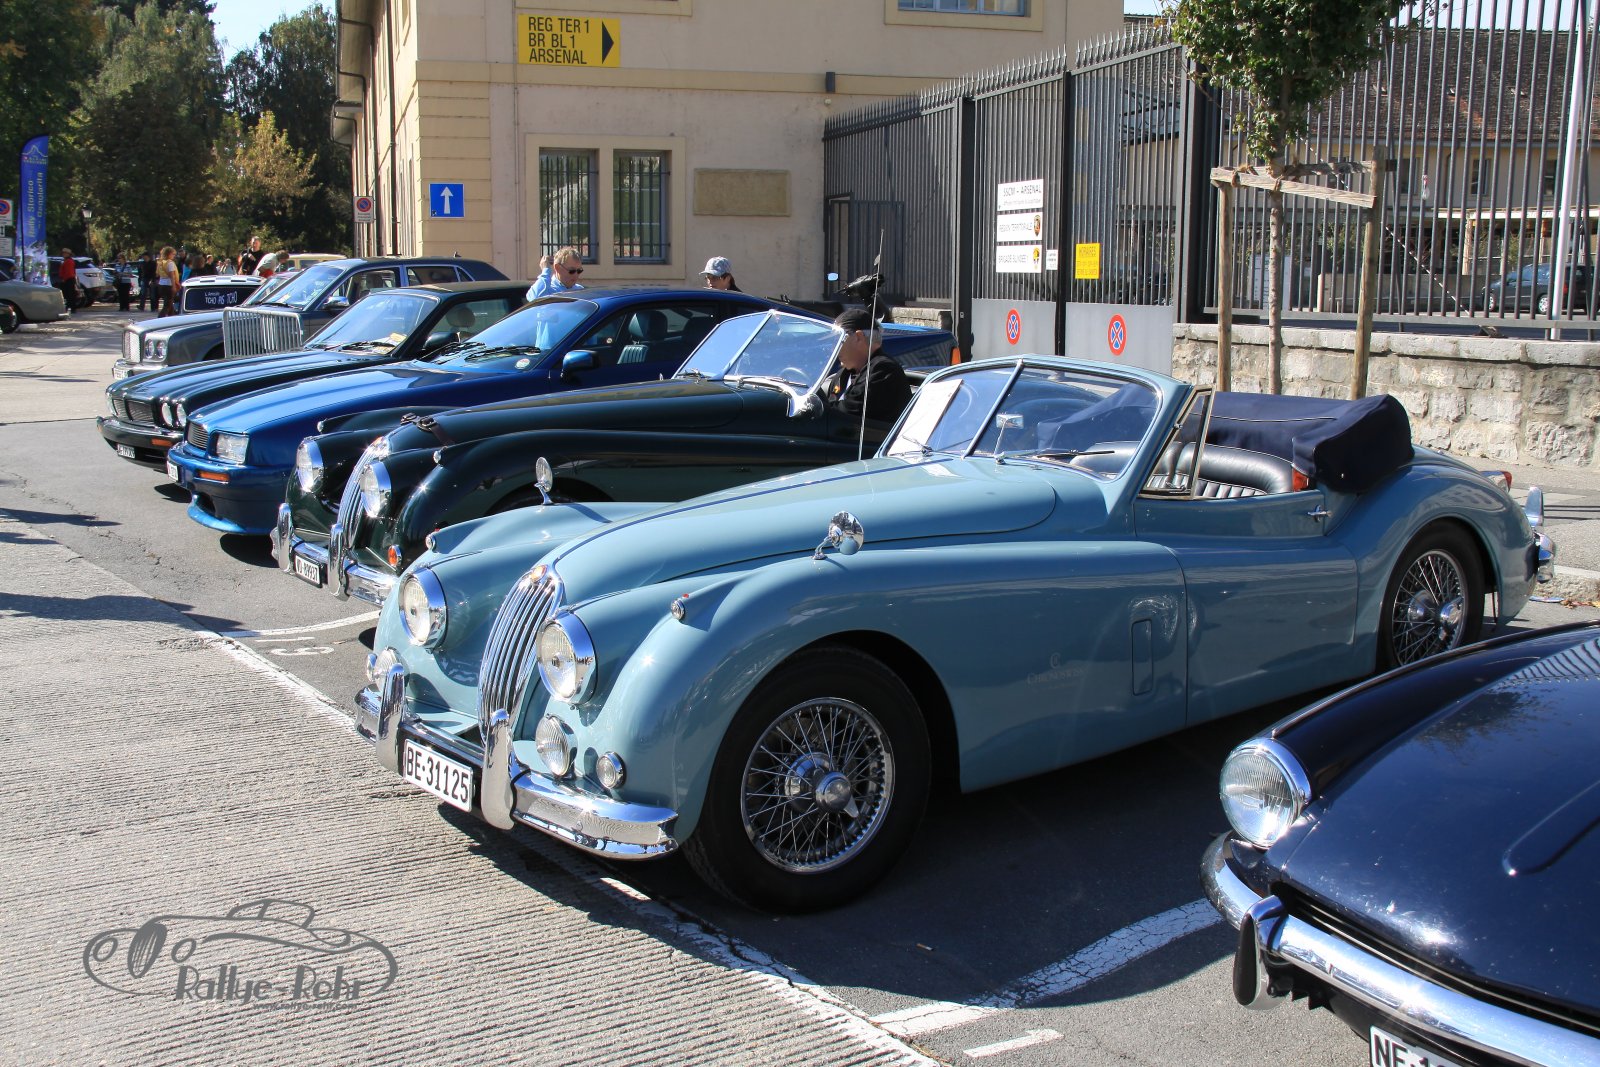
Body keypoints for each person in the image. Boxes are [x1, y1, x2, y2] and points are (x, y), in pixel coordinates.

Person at [823, 307, 911, 424]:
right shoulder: (843, 375)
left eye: (839, 339)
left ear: (858, 337)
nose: (833, 348)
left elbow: (849, 412)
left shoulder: (883, 370)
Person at [154, 246, 181, 317]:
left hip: (161, 284)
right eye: (173, 254)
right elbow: (172, 276)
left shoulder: (160, 262)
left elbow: (157, 274)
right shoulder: (170, 263)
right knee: (167, 305)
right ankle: (160, 318)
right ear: (169, 254)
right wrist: (174, 286)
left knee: (170, 304)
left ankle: (172, 317)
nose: (174, 256)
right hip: (169, 285)